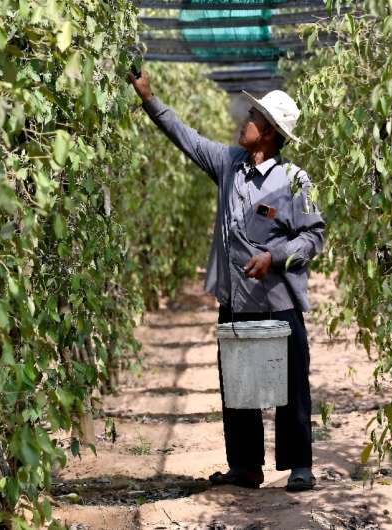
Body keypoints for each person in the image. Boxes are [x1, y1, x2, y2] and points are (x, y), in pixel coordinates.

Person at [128, 68, 325, 492]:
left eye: (253, 117)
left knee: (291, 384)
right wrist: (150, 100)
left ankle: (299, 466)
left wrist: (274, 258)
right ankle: (246, 467)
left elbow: (314, 236)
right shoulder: (229, 166)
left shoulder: (296, 181)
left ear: (269, 132)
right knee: (238, 387)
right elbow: (188, 139)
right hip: (236, 301)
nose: (244, 121)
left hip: (279, 302)